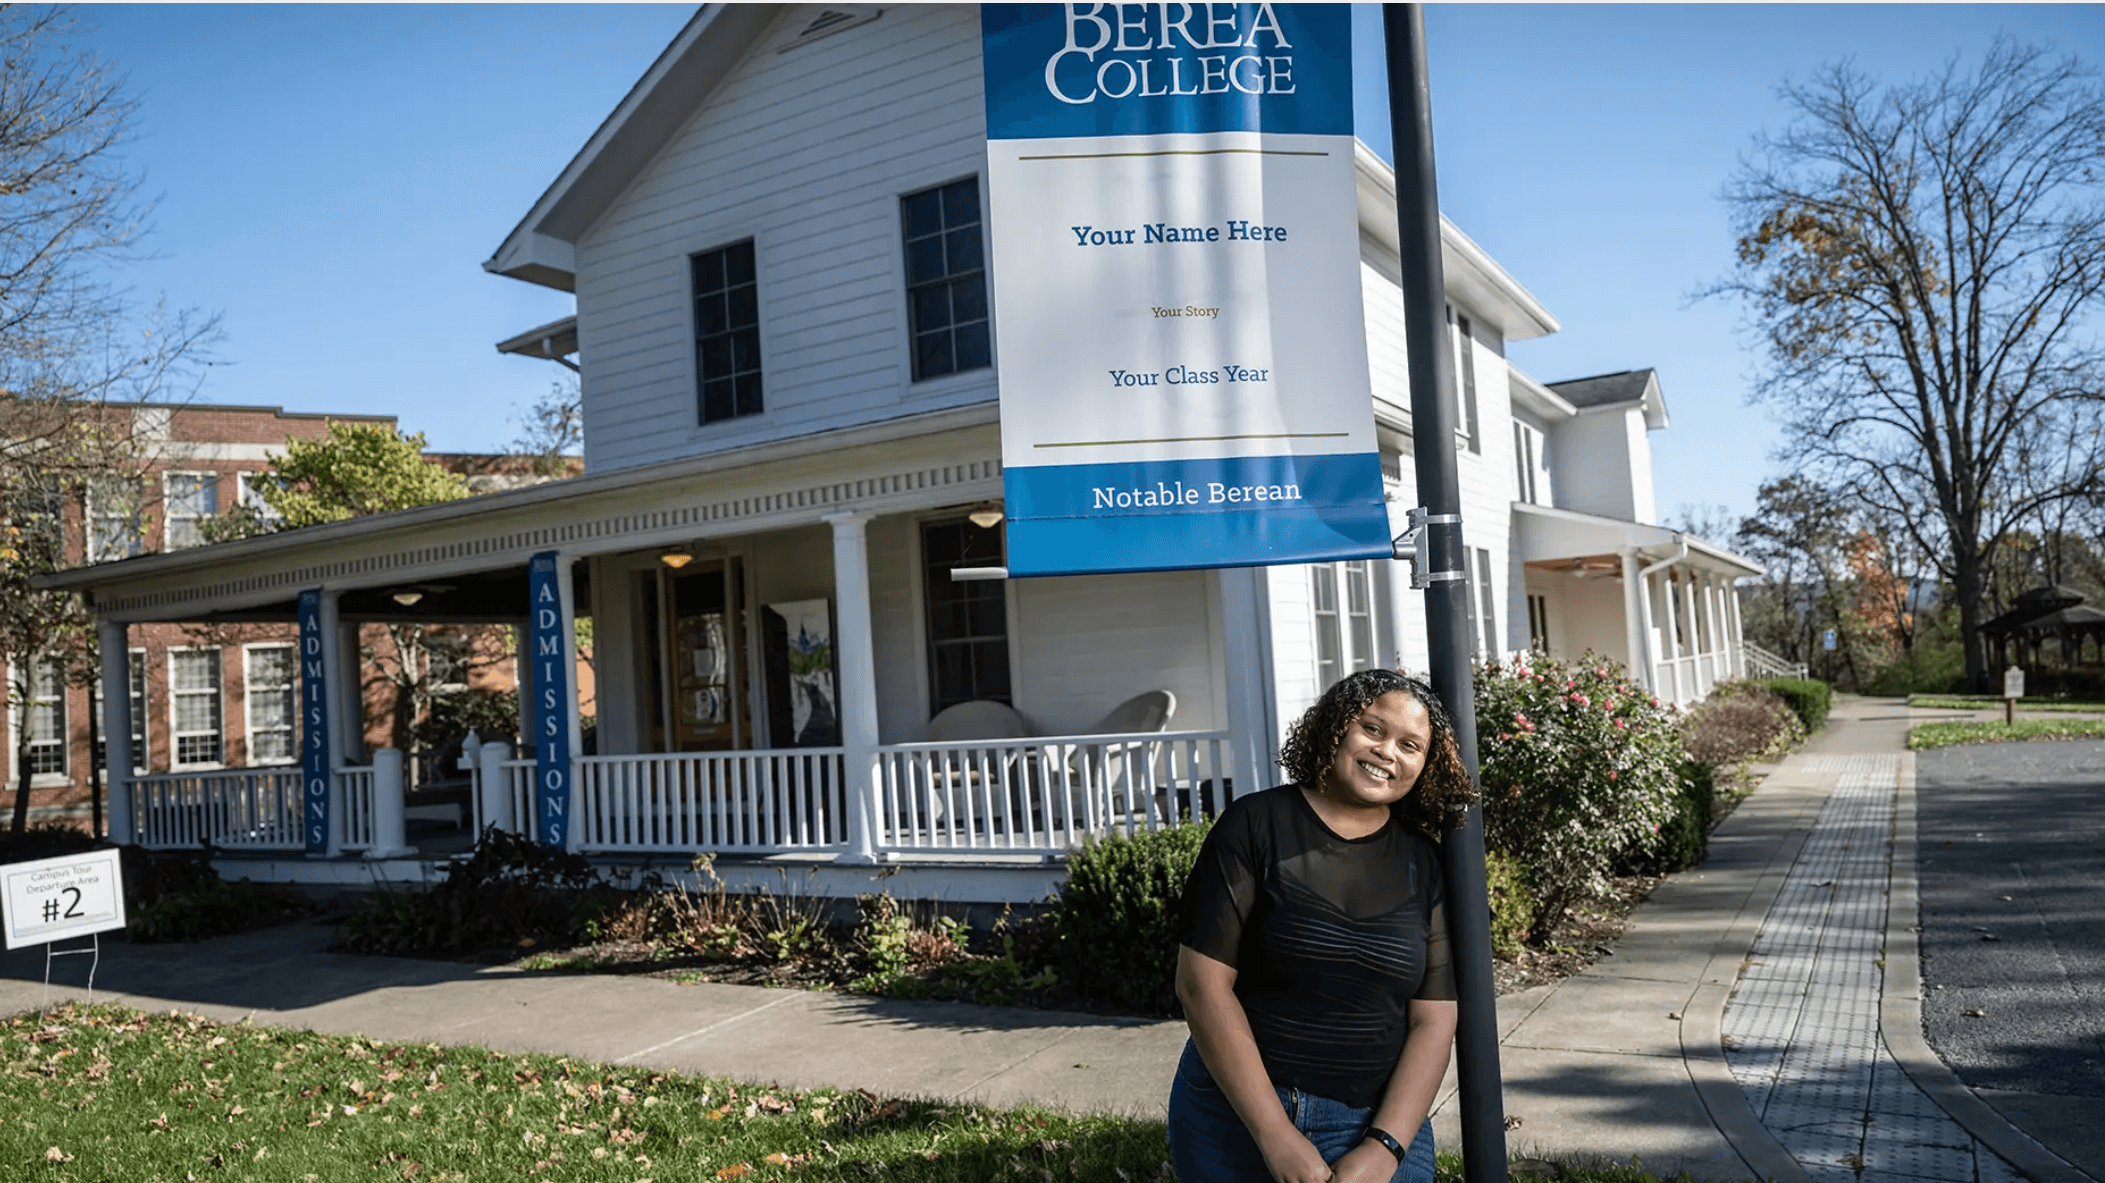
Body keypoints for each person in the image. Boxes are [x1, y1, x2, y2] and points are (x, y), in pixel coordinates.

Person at [1170, 668, 1476, 1183]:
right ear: (1335, 727)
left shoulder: (1424, 864)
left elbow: (1435, 1020)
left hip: (1374, 1120)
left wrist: (1384, 1148)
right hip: (1235, 1110)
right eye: (1373, 729)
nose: (1387, 752)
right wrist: (1276, 1135)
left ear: (1425, 766)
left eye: (1410, 745)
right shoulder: (1254, 825)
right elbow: (1200, 985)